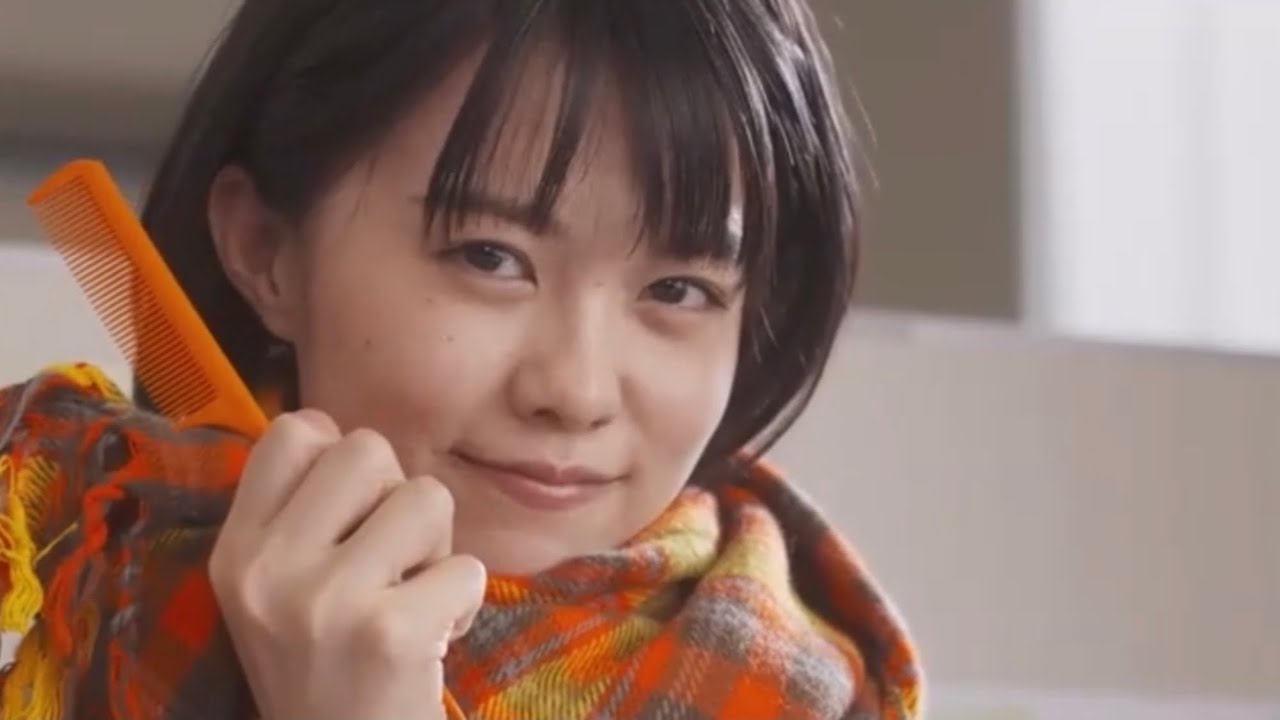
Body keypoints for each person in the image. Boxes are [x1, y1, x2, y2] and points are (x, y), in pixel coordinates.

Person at [0, 1, 922, 718]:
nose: (575, 392)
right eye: (489, 256)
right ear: (266, 250)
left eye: (679, 290)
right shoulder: (85, 577)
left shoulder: (793, 694)